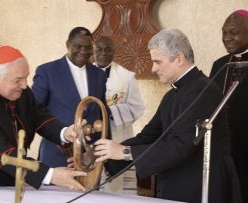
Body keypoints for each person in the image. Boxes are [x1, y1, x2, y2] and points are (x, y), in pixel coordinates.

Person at [94, 28, 242, 203]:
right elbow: (149, 135)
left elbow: (182, 144)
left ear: (179, 58)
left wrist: (125, 152)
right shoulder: (172, 95)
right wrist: (102, 156)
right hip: (179, 180)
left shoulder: (204, 90)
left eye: (158, 61)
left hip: (202, 184)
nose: (153, 68)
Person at [0, 46, 86, 191]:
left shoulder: (19, 90)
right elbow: (2, 154)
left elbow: (39, 116)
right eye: (18, 80)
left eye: (26, 77)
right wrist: (49, 175)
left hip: (7, 177)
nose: (25, 85)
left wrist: (64, 132)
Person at [32, 27, 108, 168]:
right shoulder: (47, 71)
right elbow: (34, 111)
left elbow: (103, 114)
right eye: (78, 46)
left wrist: (96, 152)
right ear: (67, 45)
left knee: (90, 191)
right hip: (58, 155)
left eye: (87, 47)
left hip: (90, 158)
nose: (83, 51)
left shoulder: (99, 75)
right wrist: (59, 137)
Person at [93, 36, 145, 193]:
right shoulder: (85, 75)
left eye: (108, 49)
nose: (103, 53)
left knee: (116, 189)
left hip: (118, 136)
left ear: (114, 51)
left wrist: (111, 111)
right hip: (92, 138)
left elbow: (137, 107)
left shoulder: (127, 76)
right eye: (99, 49)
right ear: (93, 52)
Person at [209, 9, 248, 202]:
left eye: (233, 32)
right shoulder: (220, 65)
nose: (227, 38)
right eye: (224, 32)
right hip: (224, 148)